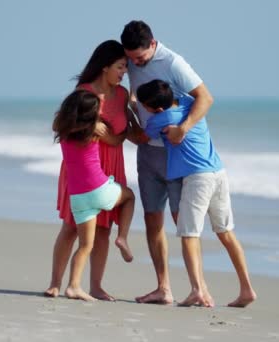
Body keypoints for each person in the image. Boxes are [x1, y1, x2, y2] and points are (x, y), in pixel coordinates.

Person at [137, 79, 257, 308]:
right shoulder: (190, 103)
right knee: (226, 233)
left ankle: (197, 291)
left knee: (189, 234)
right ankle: (247, 288)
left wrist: (131, 108)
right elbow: (202, 96)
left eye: (145, 106)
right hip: (218, 172)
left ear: (157, 109)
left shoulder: (160, 119)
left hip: (197, 178)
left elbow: (141, 138)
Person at [120, 19, 215, 305]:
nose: (134, 63)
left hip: (176, 154)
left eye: (139, 57)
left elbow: (205, 98)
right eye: (130, 57)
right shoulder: (131, 59)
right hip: (147, 153)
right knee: (152, 219)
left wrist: (183, 128)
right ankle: (164, 288)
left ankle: (200, 289)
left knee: (182, 221)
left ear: (152, 43)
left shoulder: (174, 64)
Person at [43, 40, 133, 301]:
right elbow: (69, 124)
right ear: (104, 67)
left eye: (125, 68)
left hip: (112, 162)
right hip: (84, 167)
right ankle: (55, 283)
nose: (123, 72)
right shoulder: (84, 92)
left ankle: (95, 285)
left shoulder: (123, 95)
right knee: (71, 227)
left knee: (103, 229)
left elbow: (126, 128)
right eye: (120, 67)